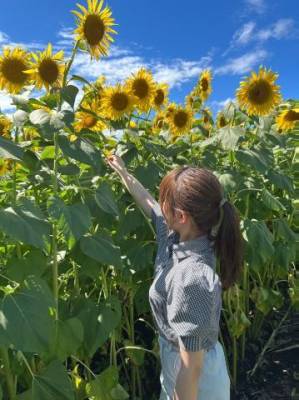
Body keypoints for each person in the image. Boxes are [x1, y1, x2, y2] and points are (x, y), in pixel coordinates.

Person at [105, 154, 244, 400]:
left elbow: (192, 367)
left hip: (196, 380)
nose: (160, 206)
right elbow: (149, 204)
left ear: (181, 216)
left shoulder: (192, 277)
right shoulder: (177, 236)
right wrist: (124, 174)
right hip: (176, 362)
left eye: (165, 201)